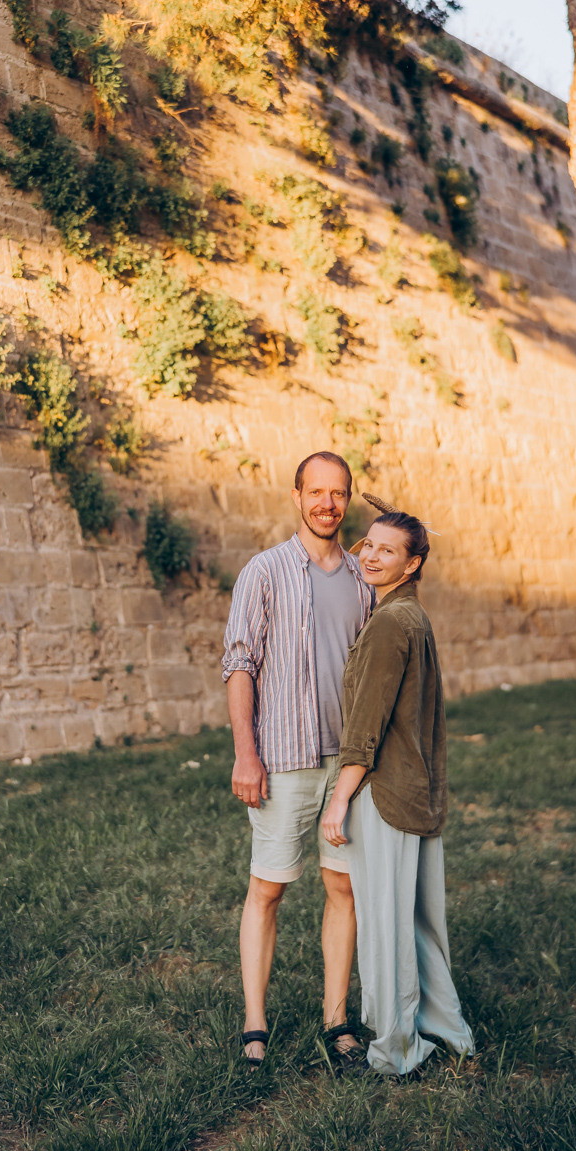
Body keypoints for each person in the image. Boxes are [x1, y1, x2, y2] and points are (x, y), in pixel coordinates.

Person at [222, 452, 373, 1071]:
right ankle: (255, 1024)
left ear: (347, 500)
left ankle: (336, 1018)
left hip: (348, 764)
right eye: (316, 492)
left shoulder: (366, 580)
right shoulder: (263, 571)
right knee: (269, 887)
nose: (327, 504)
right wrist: (245, 754)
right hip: (281, 757)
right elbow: (239, 664)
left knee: (344, 887)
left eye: (338, 494)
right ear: (296, 496)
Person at [320, 503, 475, 1077]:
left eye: (388, 551)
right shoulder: (414, 617)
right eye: (369, 545)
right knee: (418, 922)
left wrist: (340, 799)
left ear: (411, 565)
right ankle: (448, 1029)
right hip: (418, 791)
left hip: (386, 794)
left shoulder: (389, 623)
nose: (371, 556)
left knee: (386, 928)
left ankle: (395, 1048)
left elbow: (366, 724)